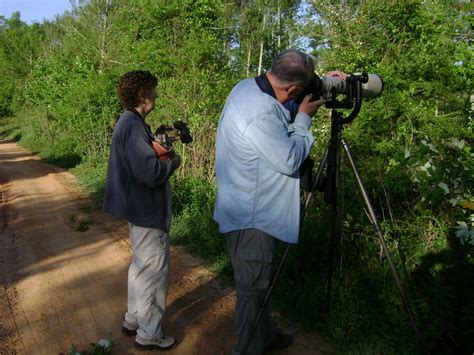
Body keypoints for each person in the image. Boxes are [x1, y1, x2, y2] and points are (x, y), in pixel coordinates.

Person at [213, 49, 346, 354]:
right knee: (252, 290)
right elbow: (288, 159)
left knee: (259, 285)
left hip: (242, 206)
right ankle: (246, 348)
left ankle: (266, 337)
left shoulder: (248, 86)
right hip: (253, 218)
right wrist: (303, 120)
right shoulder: (259, 112)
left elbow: (283, 102)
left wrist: (326, 82)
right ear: (293, 90)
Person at [103, 70, 181, 351]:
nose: (156, 94)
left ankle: (133, 319)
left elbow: (141, 160)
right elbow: (148, 172)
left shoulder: (130, 123)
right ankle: (149, 334)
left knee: (140, 267)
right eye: (154, 89)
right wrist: (173, 162)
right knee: (153, 272)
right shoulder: (133, 125)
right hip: (147, 210)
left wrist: (160, 147)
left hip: (138, 209)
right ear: (142, 94)